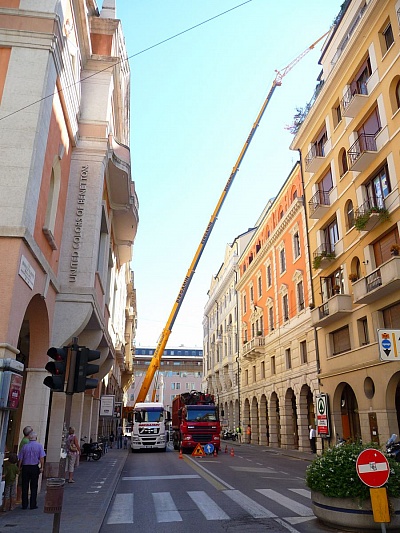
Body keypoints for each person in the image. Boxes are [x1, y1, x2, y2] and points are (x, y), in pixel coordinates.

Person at [17, 432, 45, 510]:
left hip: (25, 467)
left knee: (24, 486)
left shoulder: (25, 447)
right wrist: (42, 467)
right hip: (34, 467)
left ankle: (24, 504)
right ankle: (33, 504)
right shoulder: (39, 446)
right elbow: (42, 458)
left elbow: (20, 459)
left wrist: (19, 468)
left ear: (29, 438)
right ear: (36, 438)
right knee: (34, 486)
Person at [16, 426, 33, 504]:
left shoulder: (25, 440)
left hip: (23, 463)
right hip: (25, 463)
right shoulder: (26, 441)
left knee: (22, 481)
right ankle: (19, 498)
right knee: (21, 482)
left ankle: (19, 497)